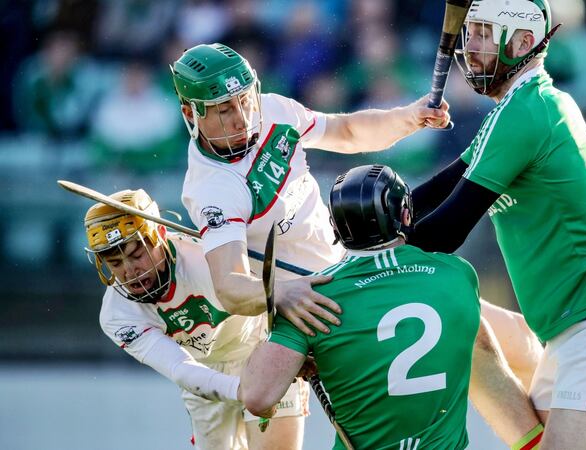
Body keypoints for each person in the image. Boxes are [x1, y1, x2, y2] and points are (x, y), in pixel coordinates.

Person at [405, 1, 586, 449]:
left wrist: (373, 254)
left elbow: (449, 228)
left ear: (523, 42)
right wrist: (379, 214)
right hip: (572, 331)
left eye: (485, 33)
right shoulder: (513, 110)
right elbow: (441, 187)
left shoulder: (530, 109)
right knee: (464, 324)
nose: (472, 45)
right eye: (472, 32)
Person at [241, 165, 544, 450]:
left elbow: (257, 398)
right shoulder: (458, 274)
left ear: (336, 227)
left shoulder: (309, 300)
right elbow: (481, 352)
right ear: (406, 214)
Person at [174, 43, 450, 337]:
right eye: (224, 109)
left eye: (244, 100)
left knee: (455, 310)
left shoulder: (273, 110)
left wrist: (409, 117)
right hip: (313, 306)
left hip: (350, 262)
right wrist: (281, 293)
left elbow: (347, 131)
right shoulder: (212, 189)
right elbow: (230, 286)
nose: (241, 118)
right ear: (190, 113)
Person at [85, 189, 308, 450]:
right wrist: (243, 391)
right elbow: (180, 368)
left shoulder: (207, 257)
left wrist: (295, 348)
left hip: (260, 344)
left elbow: (278, 294)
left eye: (137, 255)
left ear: (160, 234)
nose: (129, 271)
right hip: (203, 374)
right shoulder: (118, 315)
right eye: (115, 263)